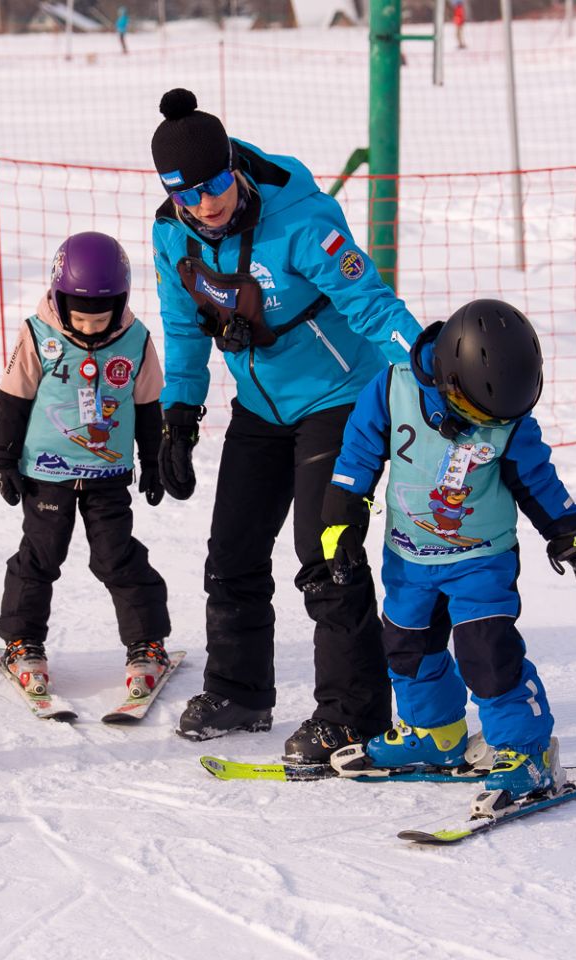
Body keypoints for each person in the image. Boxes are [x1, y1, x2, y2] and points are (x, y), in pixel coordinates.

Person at [149, 88, 425, 762]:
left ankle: (353, 716)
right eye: (189, 194)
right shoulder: (171, 235)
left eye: (216, 184)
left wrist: (424, 368)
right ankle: (239, 692)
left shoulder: (302, 219)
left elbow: (369, 303)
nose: (207, 204)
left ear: (233, 168)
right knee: (233, 552)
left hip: (339, 397)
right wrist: (179, 414)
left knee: (326, 552)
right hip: (259, 406)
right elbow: (183, 328)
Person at [320, 300, 576, 799]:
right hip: (408, 557)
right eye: (473, 414)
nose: (482, 425)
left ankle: (526, 749)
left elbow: (535, 479)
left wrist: (571, 536)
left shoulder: (509, 419)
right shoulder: (392, 389)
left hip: (481, 558)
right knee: (408, 649)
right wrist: (341, 521)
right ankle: (435, 733)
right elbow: (358, 454)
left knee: (487, 654)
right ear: (447, 378)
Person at [0, 232, 171, 698]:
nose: (90, 328)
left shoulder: (136, 341)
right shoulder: (37, 335)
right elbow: (13, 399)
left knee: (117, 557)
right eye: (81, 319)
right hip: (46, 475)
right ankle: (22, 640)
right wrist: (4, 458)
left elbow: (148, 405)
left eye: (100, 319)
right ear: (59, 299)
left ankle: (147, 642)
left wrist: (154, 462)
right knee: (40, 555)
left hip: (108, 477)